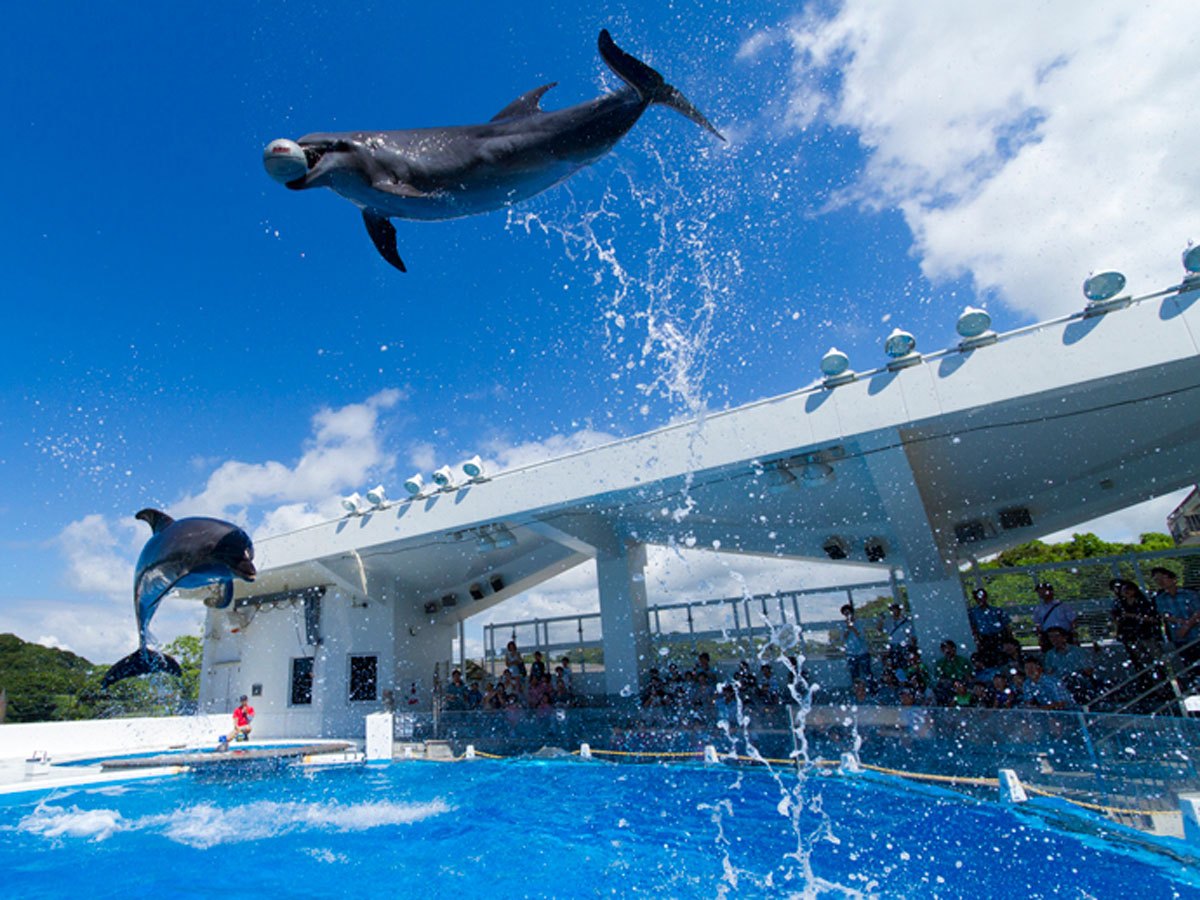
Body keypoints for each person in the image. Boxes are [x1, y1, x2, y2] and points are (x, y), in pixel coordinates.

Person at [1151, 567, 1200, 672]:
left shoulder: (1190, 593)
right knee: (1191, 666)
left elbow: (1198, 612)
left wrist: (1187, 626)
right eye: (1156, 580)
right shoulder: (1160, 598)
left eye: (1163, 578)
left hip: (1196, 634)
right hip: (1179, 636)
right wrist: (1182, 623)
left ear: (1174, 579)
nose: (1160, 582)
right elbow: (1164, 615)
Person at [1110, 579, 1163, 672]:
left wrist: (1133, 616)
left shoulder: (1144, 602)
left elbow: (1153, 619)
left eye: (1129, 589)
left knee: (1157, 660)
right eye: (1123, 589)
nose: (1126, 591)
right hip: (1130, 636)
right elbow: (1117, 620)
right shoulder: (1119, 604)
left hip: (1147, 634)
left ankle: (1164, 681)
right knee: (1142, 662)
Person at [1041, 627, 1099, 703]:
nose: (1054, 639)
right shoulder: (1050, 654)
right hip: (1061, 684)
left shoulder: (1076, 651)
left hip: (1078, 682)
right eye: (1051, 637)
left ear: (1065, 637)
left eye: (1057, 636)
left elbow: (1088, 669)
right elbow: (1049, 673)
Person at [967, 588, 1013, 668]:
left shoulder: (996, 610)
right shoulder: (973, 612)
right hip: (985, 638)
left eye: (983, 597)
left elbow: (1006, 625)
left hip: (999, 636)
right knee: (989, 659)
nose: (981, 600)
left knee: (1003, 657)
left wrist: (1010, 637)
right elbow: (974, 627)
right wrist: (977, 641)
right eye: (978, 598)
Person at [1031, 582, 1077, 649]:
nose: (1041, 594)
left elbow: (1073, 621)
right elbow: (1038, 624)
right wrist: (1040, 637)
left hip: (1063, 636)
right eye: (1039, 592)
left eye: (1043, 591)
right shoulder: (1039, 608)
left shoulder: (1062, 606)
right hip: (1048, 637)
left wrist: (1074, 637)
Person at [840, 604, 873, 688]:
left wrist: (852, 627)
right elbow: (843, 638)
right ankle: (858, 692)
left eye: (848, 613)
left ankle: (872, 690)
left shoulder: (858, 623)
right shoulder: (843, 625)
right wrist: (848, 627)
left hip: (862, 652)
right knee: (855, 675)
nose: (847, 615)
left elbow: (861, 635)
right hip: (851, 653)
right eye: (845, 613)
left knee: (867, 673)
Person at [933, 640, 972, 706]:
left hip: (962, 682)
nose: (947, 652)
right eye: (944, 650)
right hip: (948, 685)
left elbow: (968, 676)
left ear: (954, 649)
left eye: (948, 649)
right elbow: (939, 678)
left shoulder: (963, 661)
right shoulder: (940, 663)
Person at [879, 602, 914, 674]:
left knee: (905, 664)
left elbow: (912, 636)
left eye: (896, 610)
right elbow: (879, 629)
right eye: (893, 610)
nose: (894, 612)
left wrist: (913, 647)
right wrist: (882, 619)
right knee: (895, 665)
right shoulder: (889, 622)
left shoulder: (905, 622)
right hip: (893, 645)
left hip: (904, 645)